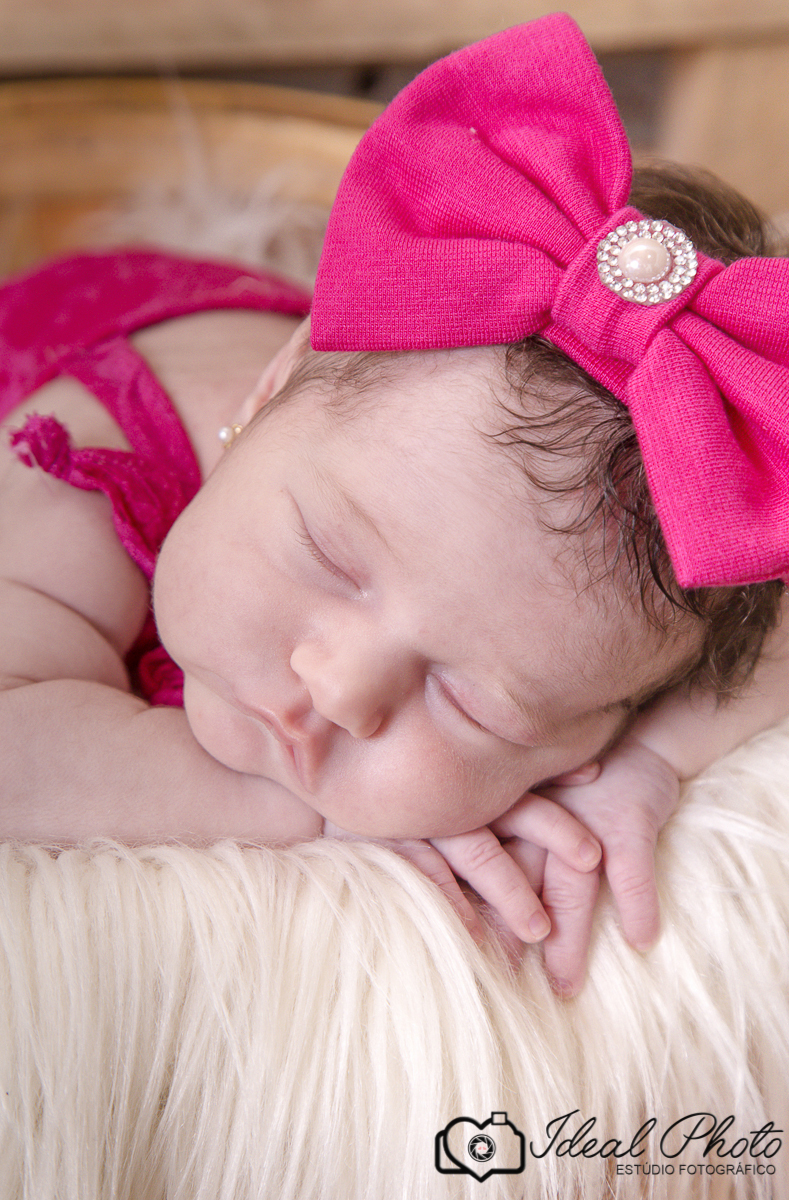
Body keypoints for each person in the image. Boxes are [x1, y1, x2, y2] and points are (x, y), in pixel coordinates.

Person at [1, 15, 788, 997]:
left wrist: (650, 769)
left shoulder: (523, 582)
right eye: (327, 555)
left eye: (473, 706)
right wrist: (320, 823)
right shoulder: (92, 443)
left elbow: (773, 633)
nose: (339, 691)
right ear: (268, 396)